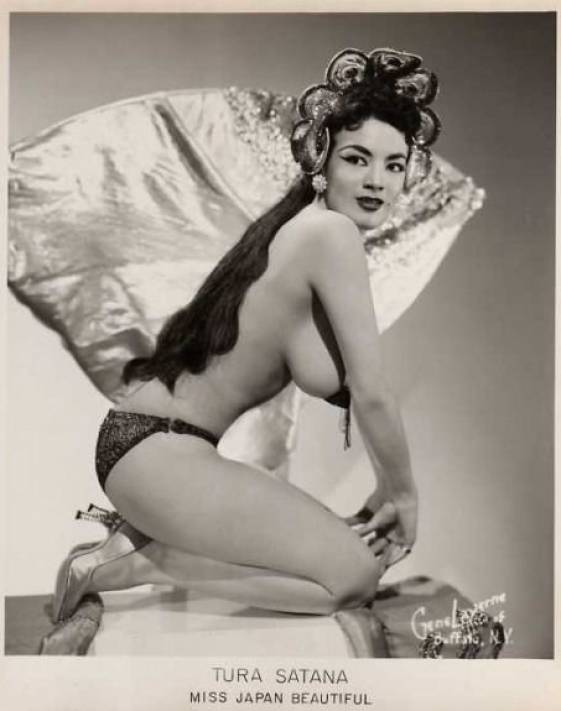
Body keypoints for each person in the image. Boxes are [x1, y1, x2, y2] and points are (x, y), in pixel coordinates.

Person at [51, 48, 440, 654]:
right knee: (352, 577)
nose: (376, 181)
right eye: (357, 159)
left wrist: (381, 493)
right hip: (158, 454)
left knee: (346, 557)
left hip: (153, 448)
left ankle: (140, 547)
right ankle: (128, 565)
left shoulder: (301, 231)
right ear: (322, 159)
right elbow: (371, 392)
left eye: (394, 165)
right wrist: (402, 496)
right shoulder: (330, 233)